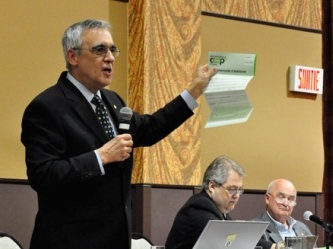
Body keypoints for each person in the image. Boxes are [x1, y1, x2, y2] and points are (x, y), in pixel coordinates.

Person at [21, 19, 217, 249]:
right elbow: (42, 175)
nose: (110, 58)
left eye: (112, 50)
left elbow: (151, 127)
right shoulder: (47, 107)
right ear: (73, 57)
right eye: (99, 50)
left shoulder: (112, 102)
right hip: (70, 241)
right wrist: (99, 157)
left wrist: (194, 91)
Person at [165, 156, 278, 249]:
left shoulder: (216, 209)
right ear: (212, 186)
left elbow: (239, 234)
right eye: (232, 189)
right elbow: (234, 238)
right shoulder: (199, 208)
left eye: (240, 190)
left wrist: (273, 246)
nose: (237, 195)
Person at [253, 179, 312, 244]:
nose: (285, 204)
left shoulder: (301, 227)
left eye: (290, 199)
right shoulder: (255, 228)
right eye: (281, 197)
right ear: (267, 198)